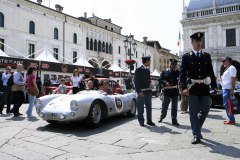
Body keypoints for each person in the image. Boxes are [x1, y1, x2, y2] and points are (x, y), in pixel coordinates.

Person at [179, 32, 217, 144]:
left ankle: (197, 129)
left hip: (204, 88)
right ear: (192, 43)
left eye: (200, 41)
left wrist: (214, 86)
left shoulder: (206, 56)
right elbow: (182, 73)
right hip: (192, 88)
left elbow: (210, 71)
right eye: (196, 41)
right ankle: (196, 135)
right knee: (193, 113)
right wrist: (183, 87)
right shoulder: (186, 57)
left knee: (205, 110)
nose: (199, 43)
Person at [134, 55, 155, 127]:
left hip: (148, 92)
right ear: (146, 61)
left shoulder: (148, 70)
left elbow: (148, 81)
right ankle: (141, 121)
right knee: (141, 108)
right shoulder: (138, 69)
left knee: (149, 107)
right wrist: (139, 92)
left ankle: (149, 121)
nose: (150, 62)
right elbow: (136, 82)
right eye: (149, 61)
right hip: (141, 92)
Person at [158, 59, 180, 126]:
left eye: (174, 64)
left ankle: (174, 119)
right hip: (167, 91)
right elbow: (160, 79)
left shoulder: (178, 72)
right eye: (172, 64)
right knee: (164, 106)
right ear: (169, 64)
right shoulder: (164, 72)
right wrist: (165, 82)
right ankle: (162, 116)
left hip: (175, 91)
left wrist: (177, 71)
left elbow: (182, 77)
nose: (173, 66)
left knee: (174, 107)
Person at [220, 57, 237, 125]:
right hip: (225, 88)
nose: (223, 62)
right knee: (227, 105)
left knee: (228, 105)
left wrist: (232, 89)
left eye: (224, 61)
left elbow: (233, 79)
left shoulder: (232, 68)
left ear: (228, 61)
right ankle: (231, 119)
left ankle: (232, 120)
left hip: (228, 89)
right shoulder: (228, 68)